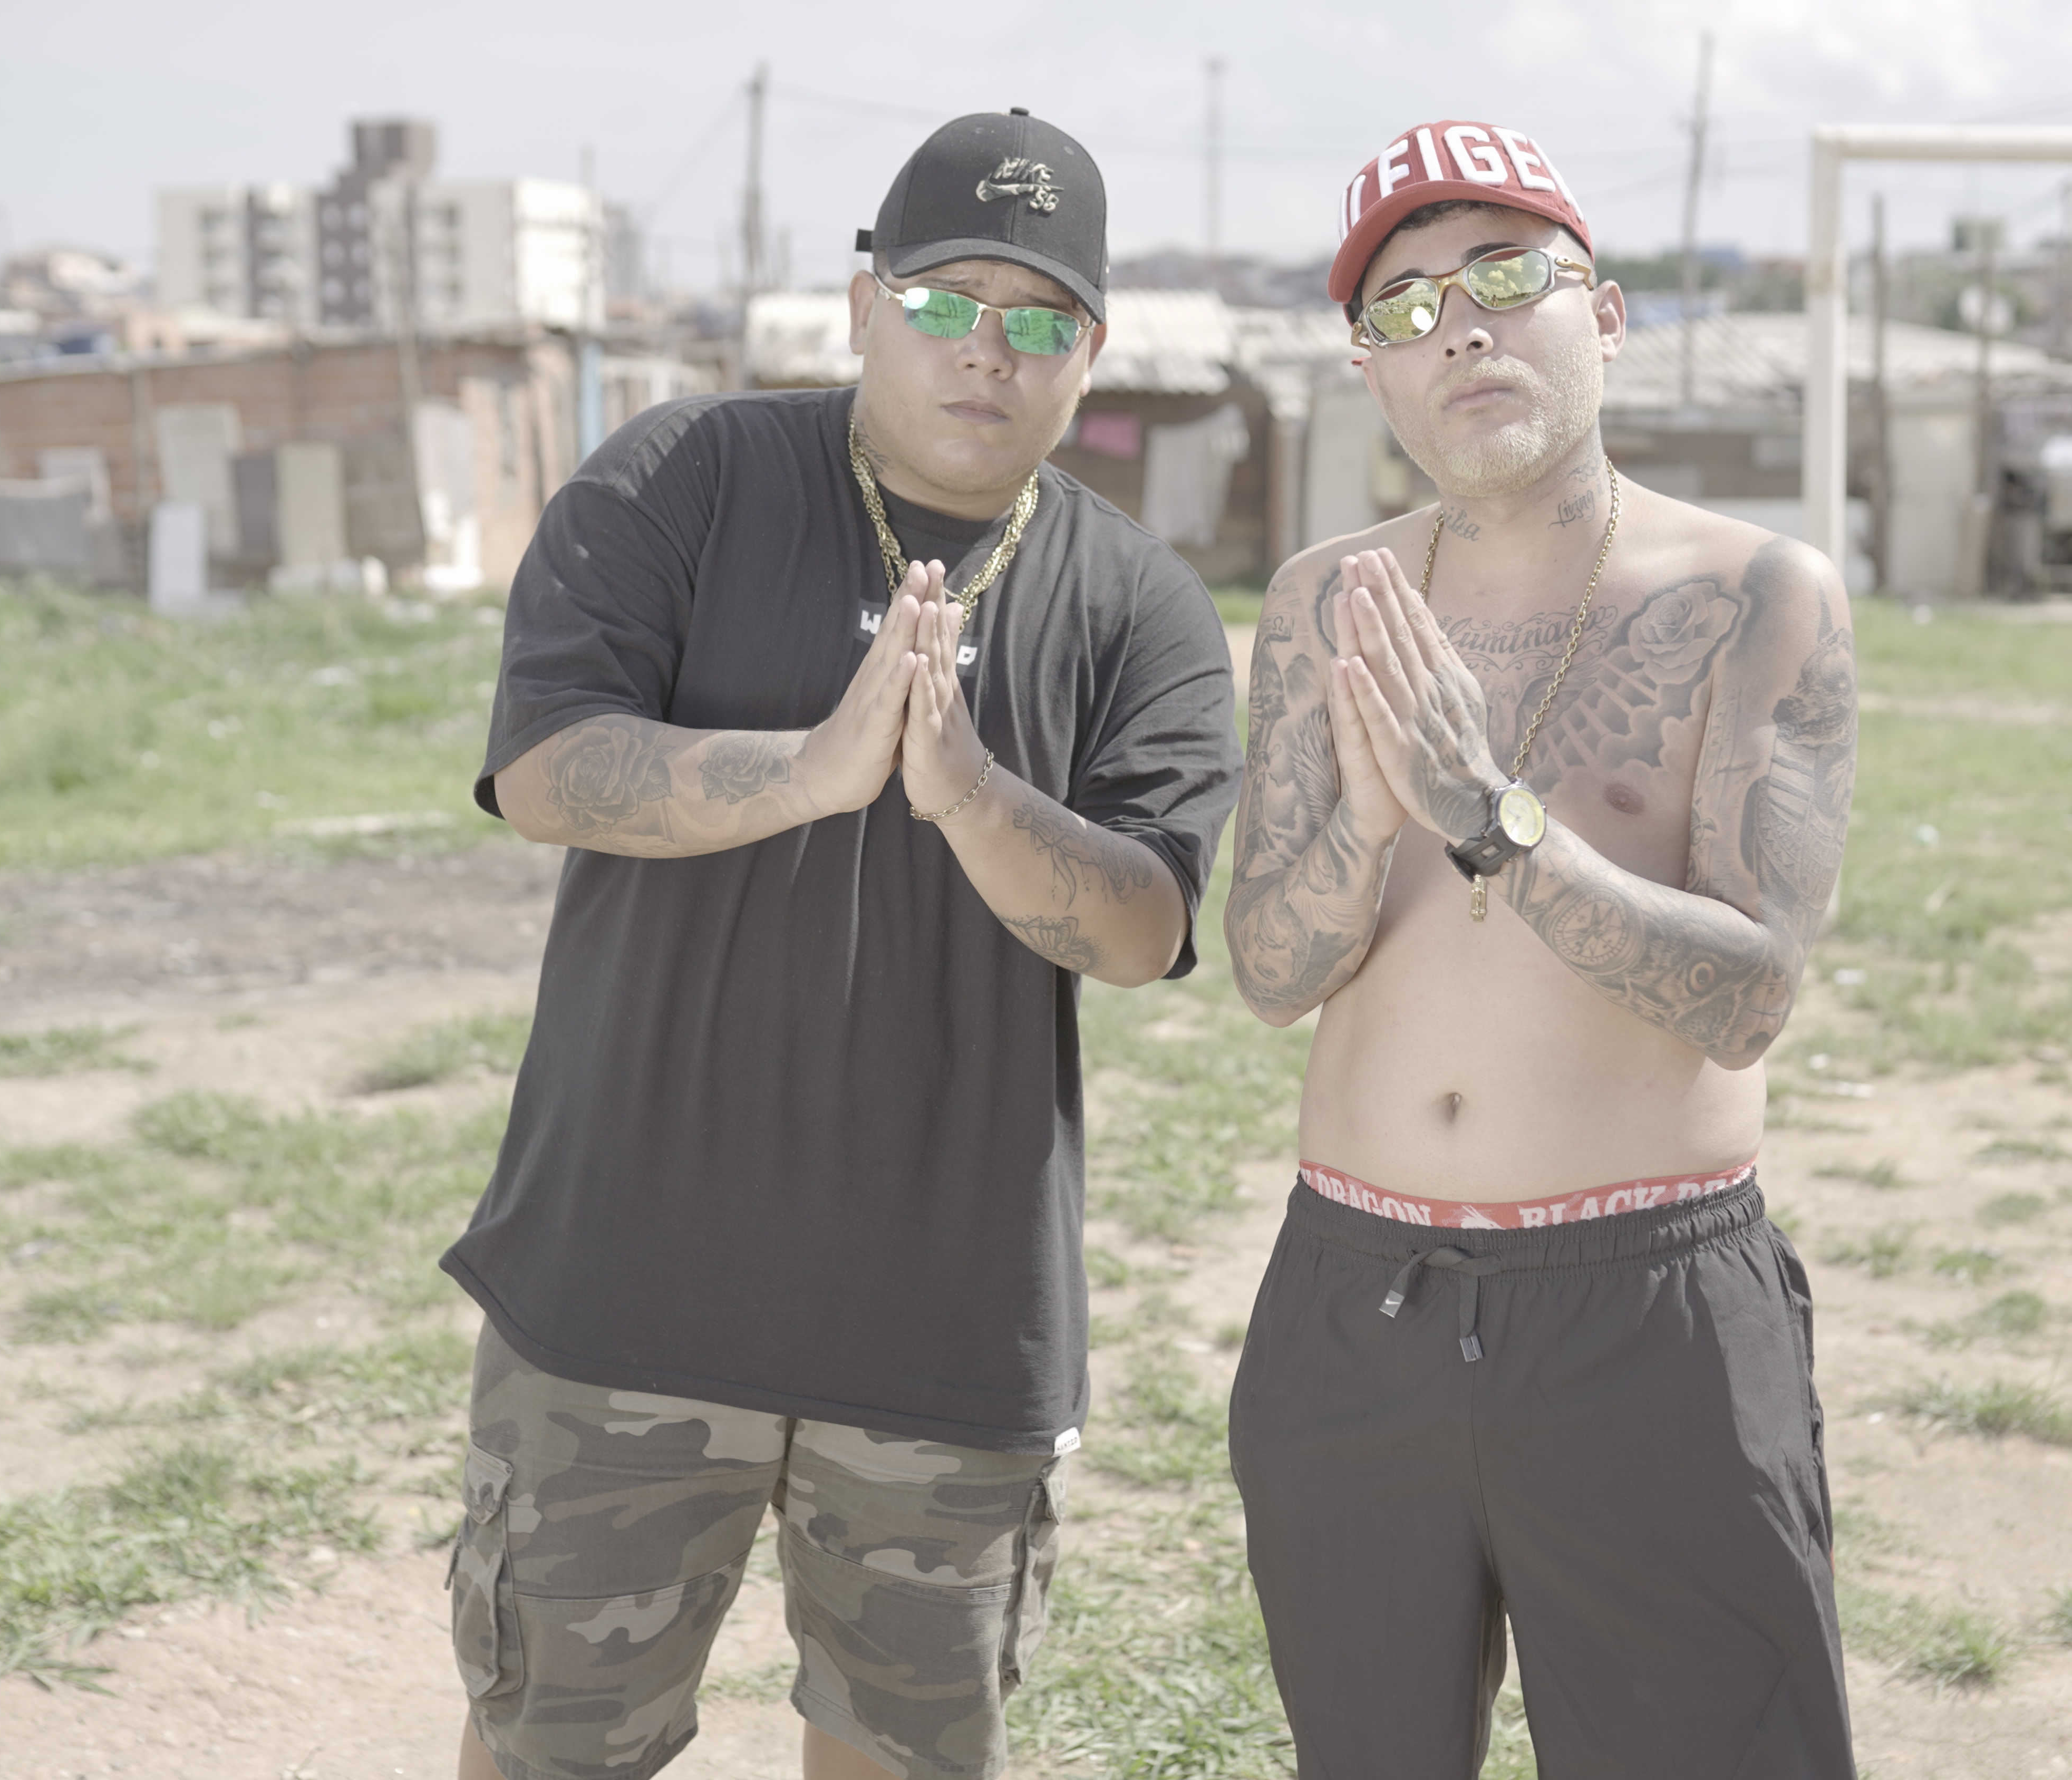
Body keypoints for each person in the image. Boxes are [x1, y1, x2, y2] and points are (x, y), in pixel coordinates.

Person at [441, 108, 1242, 1780]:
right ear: (864, 305)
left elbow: (1144, 926)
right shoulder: (685, 478)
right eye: (947, 303)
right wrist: (811, 772)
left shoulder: (1140, 604)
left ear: (1092, 355)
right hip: (620, 1298)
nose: (988, 354)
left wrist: (970, 798)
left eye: (1041, 323)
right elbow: (547, 772)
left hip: (945, 1338)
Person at [1223, 118, 1858, 1779]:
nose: (1462, 329)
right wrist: (1366, 824)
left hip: (1642, 1308)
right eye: (1406, 305)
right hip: (1354, 1301)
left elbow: (1751, 995)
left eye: (1508, 279)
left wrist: (1493, 821)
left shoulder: (1755, 594)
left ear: (1609, 315)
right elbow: (1271, 974)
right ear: (1370, 366)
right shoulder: (1321, 604)